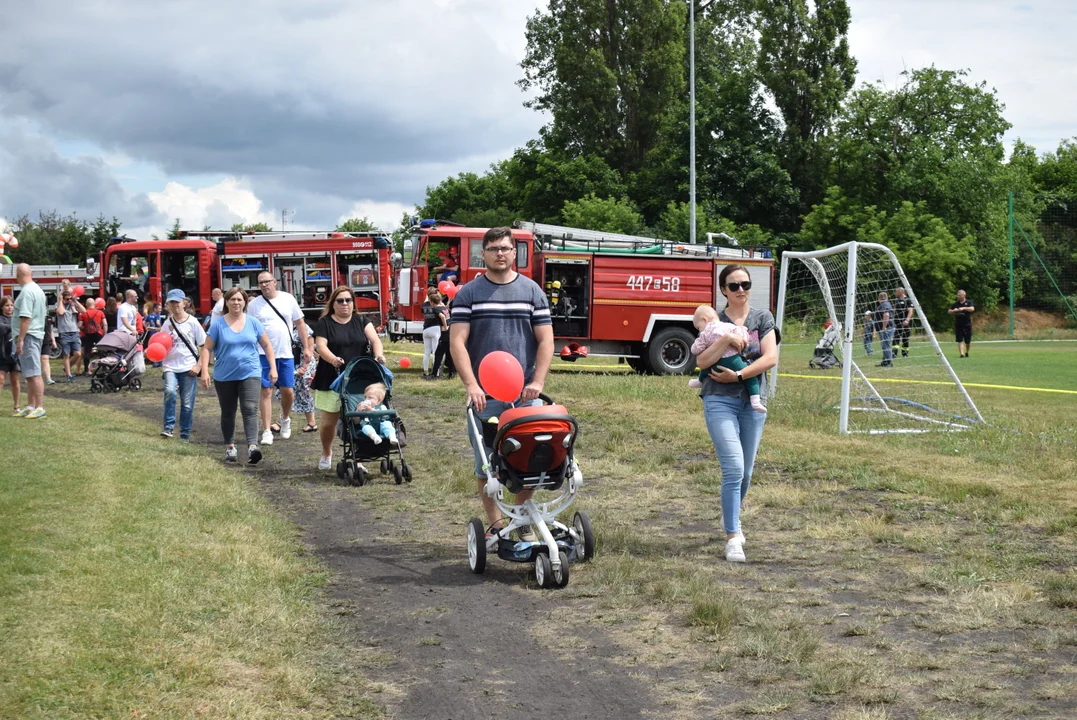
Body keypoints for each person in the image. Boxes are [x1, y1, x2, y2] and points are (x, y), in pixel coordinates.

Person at [449, 227, 554, 541]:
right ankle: (496, 526)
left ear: (514, 253)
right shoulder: (469, 293)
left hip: (525, 394)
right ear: (484, 253)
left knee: (532, 458)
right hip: (484, 395)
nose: (499, 254)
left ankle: (521, 519)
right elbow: (457, 342)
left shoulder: (532, 291)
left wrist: (537, 381)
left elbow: (546, 340)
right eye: (493, 248)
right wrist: (471, 385)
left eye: (505, 248)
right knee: (487, 465)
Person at [694, 264, 777, 563]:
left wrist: (740, 377)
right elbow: (702, 359)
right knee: (734, 469)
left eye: (745, 284)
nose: (740, 289)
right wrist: (725, 340)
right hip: (719, 400)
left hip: (753, 400)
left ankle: (731, 516)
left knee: (748, 471)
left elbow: (771, 358)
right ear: (723, 290)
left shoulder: (762, 317)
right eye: (734, 285)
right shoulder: (713, 320)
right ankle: (733, 537)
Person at [311, 286, 385, 471]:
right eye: (340, 300)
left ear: (353, 303)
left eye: (348, 300)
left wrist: (379, 356)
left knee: (360, 419)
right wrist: (333, 359)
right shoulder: (324, 323)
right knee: (328, 423)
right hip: (332, 377)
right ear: (333, 304)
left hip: (358, 379)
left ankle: (358, 458)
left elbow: (375, 340)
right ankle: (327, 452)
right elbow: (321, 346)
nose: (345, 304)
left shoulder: (362, 320)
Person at [199, 287, 276, 465]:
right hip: (224, 375)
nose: (236, 302)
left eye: (239, 299)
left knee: (249, 408)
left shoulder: (253, 322)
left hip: (250, 372)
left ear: (245, 302)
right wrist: (204, 371)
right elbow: (207, 348)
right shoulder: (218, 324)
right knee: (228, 412)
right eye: (232, 299)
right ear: (226, 302)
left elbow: (267, 345)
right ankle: (230, 447)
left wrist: (273, 368)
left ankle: (252, 447)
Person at [248, 272, 311, 446]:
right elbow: (250, 328)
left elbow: (300, 323)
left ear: (274, 282)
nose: (264, 285)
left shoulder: (288, 299)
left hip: (285, 353)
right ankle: (267, 430)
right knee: (266, 391)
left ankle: (285, 418)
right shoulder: (254, 305)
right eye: (260, 283)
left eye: (267, 281)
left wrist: (306, 347)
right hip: (262, 353)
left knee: (288, 391)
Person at [688, 305, 766, 414]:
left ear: (704, 320)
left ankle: (700, 381)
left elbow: (697, 349)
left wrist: (693, 347)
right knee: (750, 377)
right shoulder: (729, 326)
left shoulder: (705, 332)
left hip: (716, 362)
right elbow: (743, 336)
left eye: (698, 327)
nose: (700, 330)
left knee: (706, 369)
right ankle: (755, 400)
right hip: (733, 360)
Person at [160, 289, 206, 441]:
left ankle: (184, 434)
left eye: (177, 302)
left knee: (187, 402)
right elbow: (160, 344)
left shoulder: (193, 322)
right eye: (171, 303)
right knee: (169, 392)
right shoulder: (167, 323)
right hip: (170, 365)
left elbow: (205, 345)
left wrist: (199, 366)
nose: (174, 306)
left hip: (188, 367)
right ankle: (168, 427)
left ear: (184, 303)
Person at [12, 264, 48, 418]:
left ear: (17, 275)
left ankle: (39, 407)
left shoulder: (26, 292)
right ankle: (30, 406)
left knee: (33, 373)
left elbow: (26, 317)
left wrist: (20, 339)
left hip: (29, 336)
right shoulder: (37, 289)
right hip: (35, 334)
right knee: (29, 373)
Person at [54, 288, 85, 382]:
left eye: (70, 298)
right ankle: (69, 375)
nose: (69, 300)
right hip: (64, 332)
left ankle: (66, 368)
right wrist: (60, 301)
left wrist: (75, 301)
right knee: (66, 354)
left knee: (78, 354)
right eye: (67, 299)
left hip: (74, 331)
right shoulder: (59, 304)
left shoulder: (73, 304)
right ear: (63, 299)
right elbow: (60, 312)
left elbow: (84, 311)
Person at [0, 296, 22, 414]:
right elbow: (2, 329)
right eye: (7, 305)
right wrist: (15, 327)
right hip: (3, 354)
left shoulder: (17, 318)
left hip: (15, 355)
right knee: (1, 379)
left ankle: (16, 406)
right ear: (2, 307)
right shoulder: (1, 319)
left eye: (11, 305)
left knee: (15, 381)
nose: (9, 308)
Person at [420, 287, 448, 379]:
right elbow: (444, 313)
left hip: (426, 329)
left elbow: (425, 303)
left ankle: (425, 372)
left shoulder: (424, 305)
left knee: (426, 352)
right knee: (436, 352)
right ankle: (436, 372)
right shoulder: (439, 304)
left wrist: (427, 296)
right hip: (435, 328)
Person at [79, 299, 107, 374]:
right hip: (98, 333)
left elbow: (79, 325)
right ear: (94, 304)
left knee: (87, 352)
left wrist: (84, 329)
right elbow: (104, 324)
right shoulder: (100, 312)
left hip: (88, 334)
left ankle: (86, 369)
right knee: (102, 351)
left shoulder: (83, 313)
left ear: (86, 304)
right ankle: (103, 368)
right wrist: (104, 333)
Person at [948, 289, 975, 358]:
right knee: (960, 340)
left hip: (967, 324)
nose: (958, 296)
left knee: (967, 341)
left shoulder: (969, 302)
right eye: (958, 295)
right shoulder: (955, 304)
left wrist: (963, 308)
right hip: (958, 324)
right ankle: (961, 354)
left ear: (964, 295)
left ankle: (967, 352)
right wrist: (954, 310)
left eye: (960, 295)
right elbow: (949, 311)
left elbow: (972, 309)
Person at [892, 287, 913, 358]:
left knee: (905, 338)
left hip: (904, 323)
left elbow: (910, 311)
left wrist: (907, 320)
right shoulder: (896, 300)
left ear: (901, 292)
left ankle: (905, 354)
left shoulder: (908, 300)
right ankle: (894, 353)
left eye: (896, 292)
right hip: (897, 323)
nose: (895, 293)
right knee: (895, 338)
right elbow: (895, 310)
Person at [874, 291, 894, 367]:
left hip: (887, 328)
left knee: (886, 345)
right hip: (885, 328)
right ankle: (885, 361)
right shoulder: (884, 304)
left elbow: (886, 315)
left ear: (879, 298)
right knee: (884, 345)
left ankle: (888, 362)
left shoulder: (884, 305)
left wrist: (884, 326)